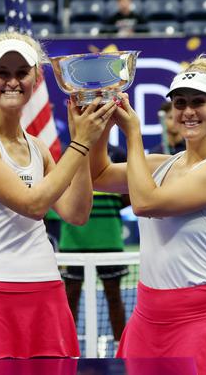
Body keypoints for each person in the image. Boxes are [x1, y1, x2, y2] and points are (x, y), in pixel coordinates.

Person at [0, 31, 117, 360]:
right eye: (2, 73)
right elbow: (33, 205)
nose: (12, 81)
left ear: (36, 79)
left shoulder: (38, 147)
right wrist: (79, 143)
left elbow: (76, 213)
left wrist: (85, 141)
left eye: (22, 73)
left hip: (46, 293)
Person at [91, 55, 206, 375]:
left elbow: (145, 203)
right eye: (180, 102)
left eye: (198, 101)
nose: (188, 111)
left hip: (198, 324)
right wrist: (104, 125)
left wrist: (132, 133)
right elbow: (98, 175)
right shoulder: (161, 164)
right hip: (146, 319)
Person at [60, 143, 129, 358]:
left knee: (113, 296)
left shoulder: (117, 154)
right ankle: (67, 350)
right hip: (73, 241)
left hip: (109, 238)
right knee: (70, 296)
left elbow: (129, 193)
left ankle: (121, 348)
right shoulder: (69, 152)